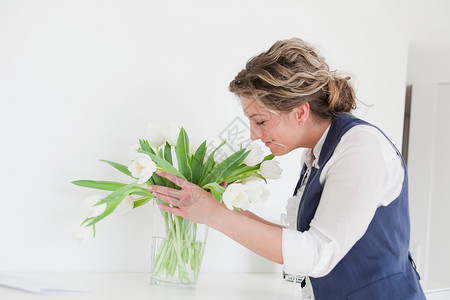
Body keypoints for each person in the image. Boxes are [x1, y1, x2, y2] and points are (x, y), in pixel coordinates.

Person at [147, 38, 426, 299]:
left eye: (260, 121)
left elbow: (317, 253)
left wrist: (214, 215)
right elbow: (303, 239)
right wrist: (228, 208)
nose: (254, 134)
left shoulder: (361, 148)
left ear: (300, 112)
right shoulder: (318, 152)